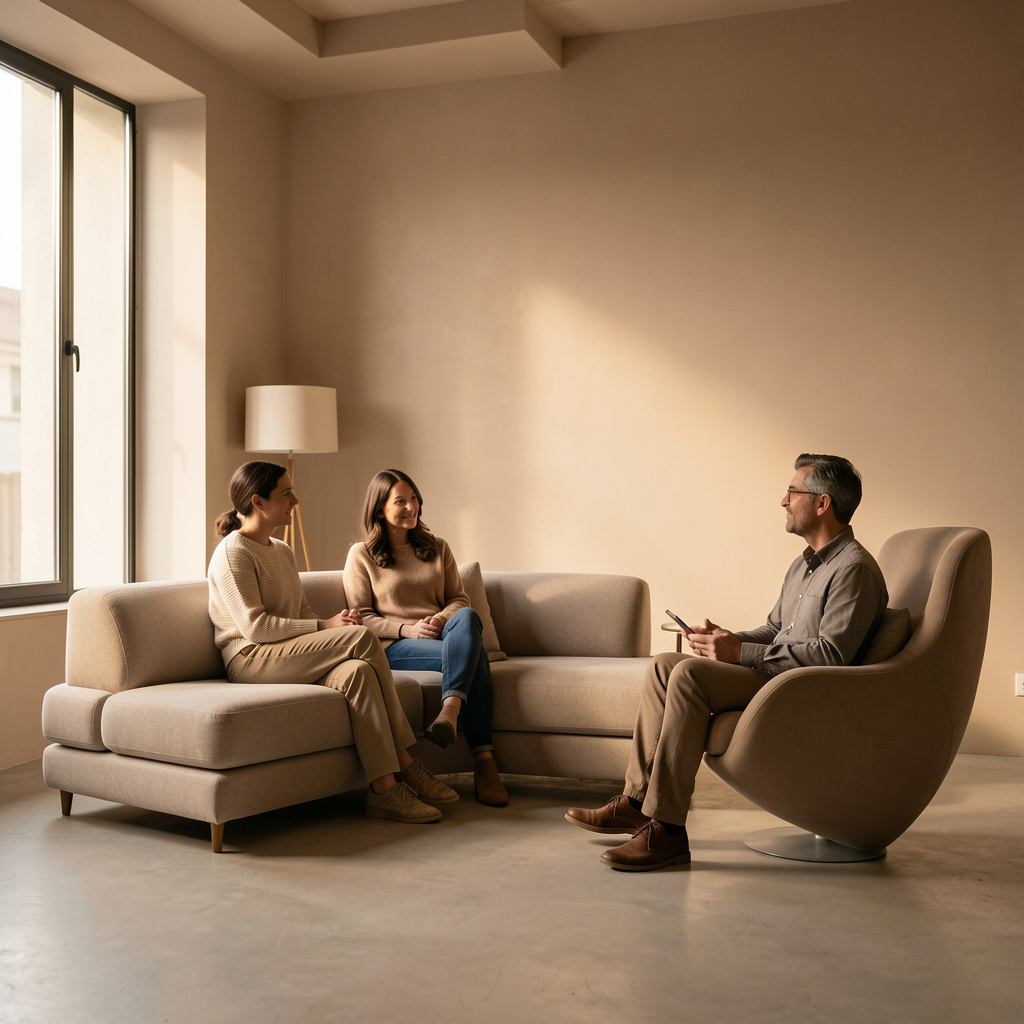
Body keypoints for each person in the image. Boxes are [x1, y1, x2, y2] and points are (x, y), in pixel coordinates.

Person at [565, 453, 888, 871]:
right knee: (665, 664)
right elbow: (776, 630)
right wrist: (727, 640)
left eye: (792, 492)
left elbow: (832, 656)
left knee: (689, 676)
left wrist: (740, 654)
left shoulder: (853, 569)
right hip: (778, 676)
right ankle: (636, 802)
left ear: (822, 503)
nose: (784, 501)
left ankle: (669, 831)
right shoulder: (803, 565)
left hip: (804, 690)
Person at [208, 461, 459, 825]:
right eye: (286, 493)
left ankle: (384, 790)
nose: (295, 500)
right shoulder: (233, 552)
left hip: (284, 654)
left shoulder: (281, 550)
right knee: (363, 637)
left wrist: (335, 625)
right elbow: (255, 628)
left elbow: (301, 611)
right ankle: (406, 760)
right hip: (250, 659)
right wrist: (326, 626)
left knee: (358, 672)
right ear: (258, 502)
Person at [343, 469, 508, 807]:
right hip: (394, 646)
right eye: (400, 501)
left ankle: (450, 709)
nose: (411, 507)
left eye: (414, 498)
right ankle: (485, 763)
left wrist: (438, 619)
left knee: (468, 617)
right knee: (475, 657)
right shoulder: (361, 555)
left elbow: (459, 600)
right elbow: (362, 618)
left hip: (442, 635)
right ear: (379, 509)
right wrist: (407, 629)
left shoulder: (437, 548)